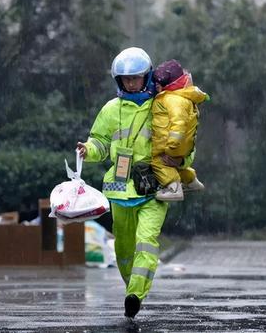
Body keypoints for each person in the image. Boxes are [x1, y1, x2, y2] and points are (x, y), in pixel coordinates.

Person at [76, 47, 192, 318]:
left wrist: (181, 160)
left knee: (146, 240)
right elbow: (100, 143)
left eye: (136, 78)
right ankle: (131, 290)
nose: (130, 83)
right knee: (124, 247)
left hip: (157, 186)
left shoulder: (164, 105)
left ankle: (136, 293)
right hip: (119, 189)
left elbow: (185, 140)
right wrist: (88, 150)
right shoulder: (110, 109)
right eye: (125, 79)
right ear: (118, 80)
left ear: (147, 76)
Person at [151, 59, 209, 202]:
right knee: (176, 168)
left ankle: (173, 188)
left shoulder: (172, 99)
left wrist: (171, 147)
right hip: (183, 146)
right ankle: (191, 180)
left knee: (158, 163)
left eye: (159, 85)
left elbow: (178, 123)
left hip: (172, 145)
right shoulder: (184, 98)